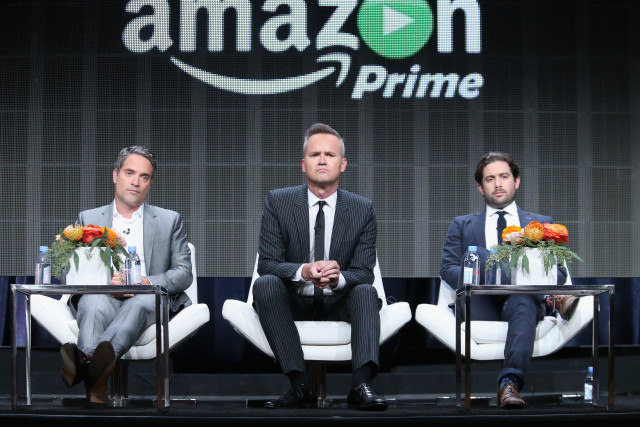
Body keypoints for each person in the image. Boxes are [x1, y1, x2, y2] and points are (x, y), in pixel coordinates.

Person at [252, 123, 387, 411]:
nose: (322, 160)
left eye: (330, 154)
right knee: (264, 284)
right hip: (294, 299)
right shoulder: (278, 201)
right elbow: (267, 264)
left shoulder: (363, 209)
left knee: (365, 290)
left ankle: (361, 386)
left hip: (339, 300)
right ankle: (300, 385)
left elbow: (364, 270)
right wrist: (303, 271)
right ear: (304, 164)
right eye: (315, 155)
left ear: (343, 164)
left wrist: (337, 278)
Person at [439, 151, 578, 409]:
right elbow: (448, 269)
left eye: (504, 176)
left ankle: (509, 383)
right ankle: (552, 298)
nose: (498, 183)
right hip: (481, 303)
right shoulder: (462, 225)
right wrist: (490, 272)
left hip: (521, 302)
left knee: (523, 299)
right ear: (481, 187)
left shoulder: (540, 224)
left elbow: (557, 272)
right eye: (490, 179)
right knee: (505, 272)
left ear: (517, 181)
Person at [59, 145, 192, 404]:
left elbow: (184, 272)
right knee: (92, 301)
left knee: (140, 300)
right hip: (106, 295)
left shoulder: (169, 220)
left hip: (149, 299)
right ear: (115, 175)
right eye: (130, 173)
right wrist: (104, 283)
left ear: (150, 183)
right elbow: (69, 272)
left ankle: (84, 362)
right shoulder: (89, 218)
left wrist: (147, 282)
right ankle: (96, 384)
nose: (136, 182)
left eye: (145, 177)